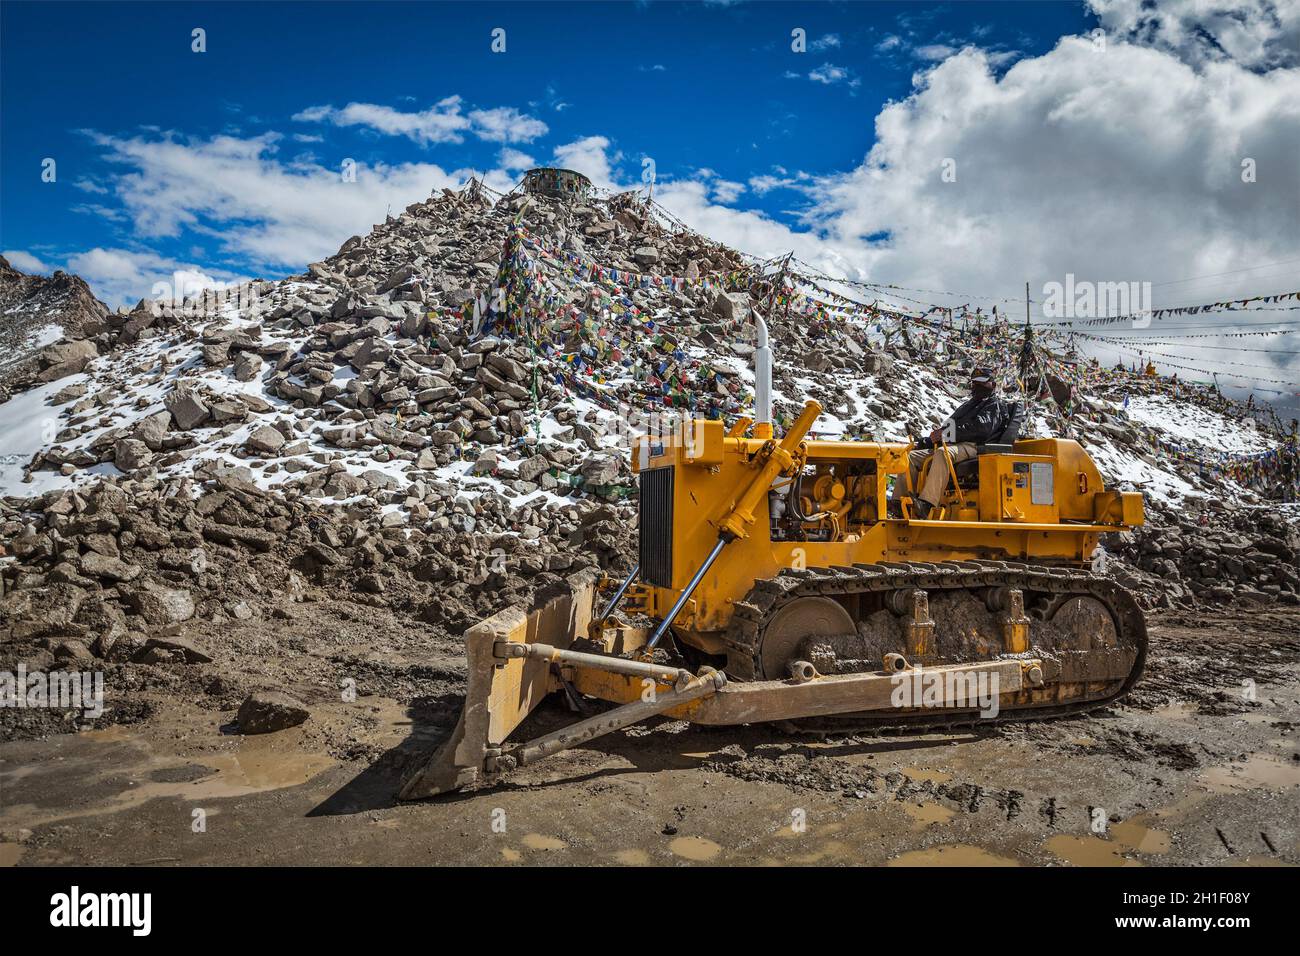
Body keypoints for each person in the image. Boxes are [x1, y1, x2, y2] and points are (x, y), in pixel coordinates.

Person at [903, 368, 1006, 519]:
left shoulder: (994, 405)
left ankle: (927, 504)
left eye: (982, 383)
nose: (977, 386)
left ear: (993, 385)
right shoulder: (969, 405)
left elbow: (981, 429)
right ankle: (899, 503)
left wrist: (945, 434)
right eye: (975, 383)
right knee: (910, 457)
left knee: (943, 454)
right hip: (955, 443)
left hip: (975, 446)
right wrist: (928, 441)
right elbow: (949, 426)